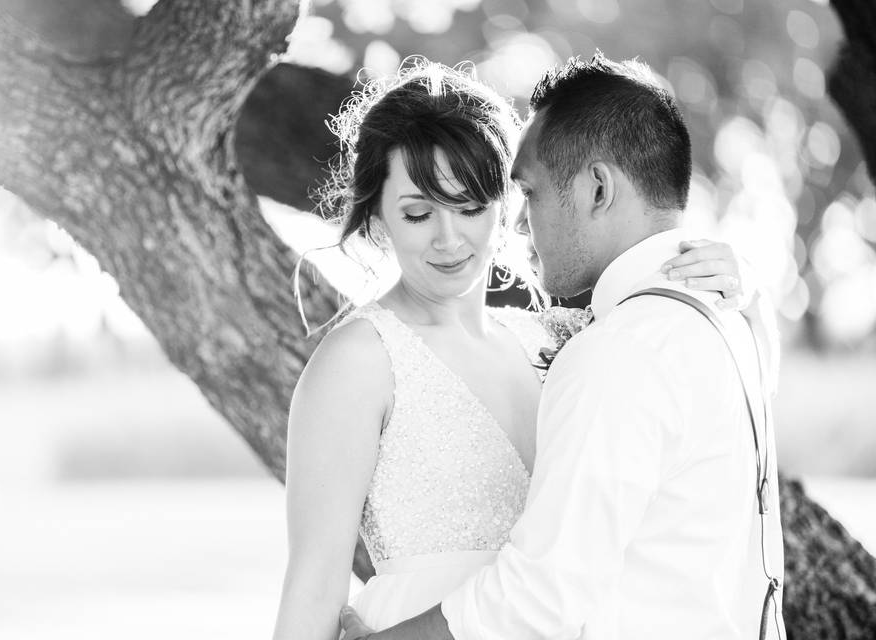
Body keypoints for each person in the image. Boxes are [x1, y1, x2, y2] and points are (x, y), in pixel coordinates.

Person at [272, 58, 758, 640]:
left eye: (471, 207)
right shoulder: (360, 361)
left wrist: (745, 287)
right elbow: (313, 587)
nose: (448, 239)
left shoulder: (563, 339)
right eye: (418, 213)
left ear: (508, 207)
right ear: (378, 217)